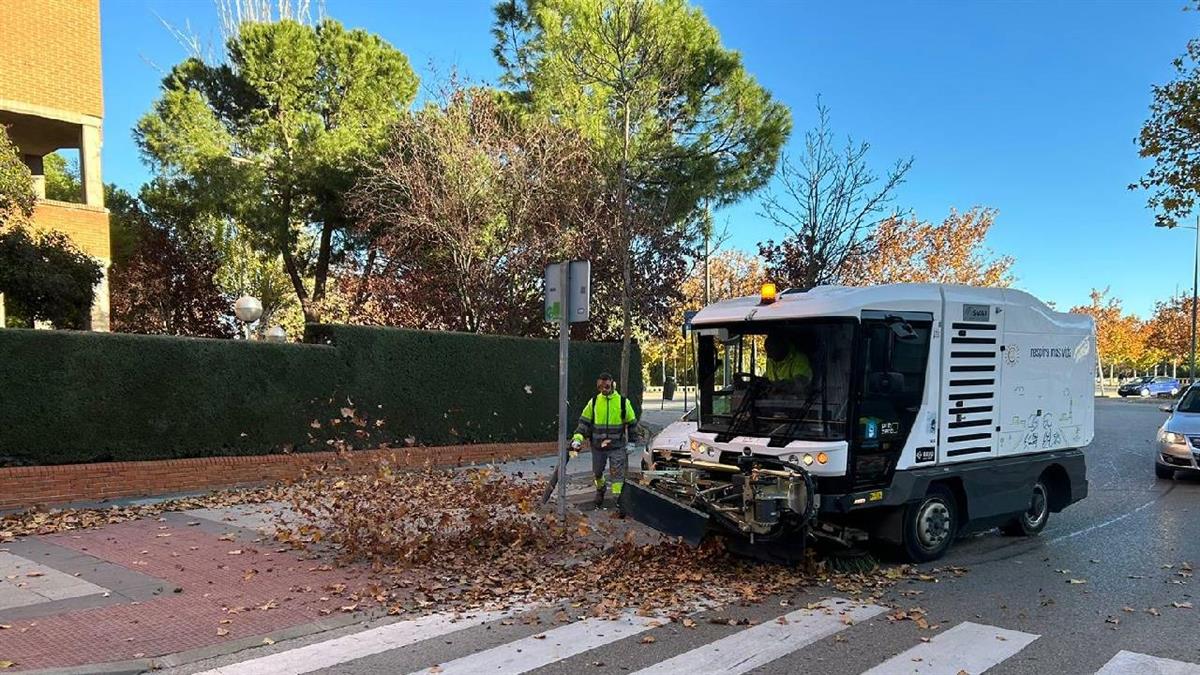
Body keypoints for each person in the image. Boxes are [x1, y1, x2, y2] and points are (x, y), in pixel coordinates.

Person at [571, 372, 639, 509]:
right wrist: (577, 439)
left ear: (612, 384)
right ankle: (600, 489)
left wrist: (632, 442)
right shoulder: (594, 402)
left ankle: (618, 502)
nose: (604, 390)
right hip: (598, 447)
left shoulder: (623, 402)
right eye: (600, 387)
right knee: (597, 473)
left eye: (606, 386)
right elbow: (583, 423)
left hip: (617, 446)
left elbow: (632, 423)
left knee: (617, 476)